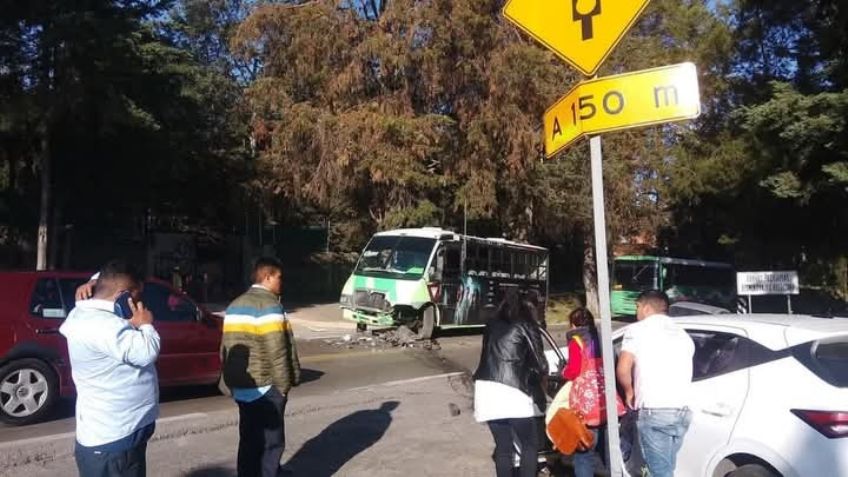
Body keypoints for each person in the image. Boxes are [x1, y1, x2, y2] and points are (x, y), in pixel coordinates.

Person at [60, 260, 160, 477]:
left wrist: (93, 281)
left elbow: (111, 275)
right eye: (137, 295)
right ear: (124, 295)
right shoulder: (104, 325)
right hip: (114, 442)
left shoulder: (85, 312)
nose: (139, 302)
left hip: (117, 436)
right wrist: (146, 324)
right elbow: (147, 352)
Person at [221, 257, 301, 477]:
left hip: (241, 386)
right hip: (266, 387)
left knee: (249, 440)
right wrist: (283, 386)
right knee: (271, 443)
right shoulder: (269, 306)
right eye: (279, 277)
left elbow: (225, 347)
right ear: (267, 277)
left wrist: (227, 380)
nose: (281, 282)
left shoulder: (235, 305)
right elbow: (278, 350)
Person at [616, 290, 695, 477]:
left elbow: (623, 369)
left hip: (655, 410)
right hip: (683, 411)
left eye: (637, 307)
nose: (636, 312)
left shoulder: (637, 330)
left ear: (646, 308)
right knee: (666, 467)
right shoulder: (683, 334)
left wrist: (629, 392)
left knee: (659, 472)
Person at [473, 287, 549, 477]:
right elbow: (541, 365)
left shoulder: (491, 325)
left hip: (486, 390)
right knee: (529, 444)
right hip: (514, 390)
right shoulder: (527, 325)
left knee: (503, 447)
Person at [561, 307, 624, 477]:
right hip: (607, 401)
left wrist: (563, 372)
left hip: (587, 406)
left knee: (583, 454)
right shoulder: (602, 338)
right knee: (610, 452)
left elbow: (574, 370)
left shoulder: (576, 341)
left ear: (573, 324)